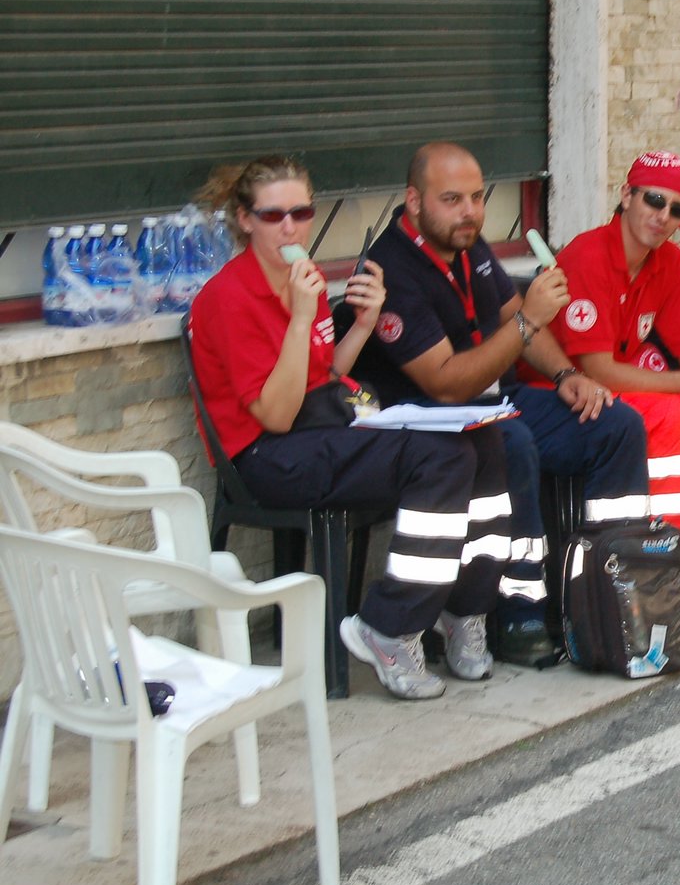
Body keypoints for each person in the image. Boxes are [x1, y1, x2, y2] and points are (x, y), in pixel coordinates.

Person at [189, 155, 531, 701]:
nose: (290, 227)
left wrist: (362, 326)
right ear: (245, 219)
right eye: (273, 215)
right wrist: (303, 317)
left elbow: (325, 375)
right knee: (439, 459)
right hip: (266, 455)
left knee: (482, 439)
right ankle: (389, 625)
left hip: (323, 425)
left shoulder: (303, 281)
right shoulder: (230, 297)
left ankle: (464, 609)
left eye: (301, 212)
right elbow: (276, 416)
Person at [349, 143, 656, 655]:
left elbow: (516, 319)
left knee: (615, 423)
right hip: (428, 419)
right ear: (414, 201)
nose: (469, 211)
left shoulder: (468, 244)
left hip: (494, 401)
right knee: (508, 440)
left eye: (476, 197)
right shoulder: (392, 269)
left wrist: (564, 374)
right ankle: (517, 613)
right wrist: (529, 319)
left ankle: (607, 590)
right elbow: (447, 383)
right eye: (451, 199)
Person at [548, 151, 680, 612]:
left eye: (677, 209)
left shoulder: (668, 261)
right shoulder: (588, 255)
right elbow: (598, 370)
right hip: (566, 391)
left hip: (627, 386)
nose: (663, 216)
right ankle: (665, 562)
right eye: (653, 200)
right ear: (625, 196)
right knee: (667, 413)